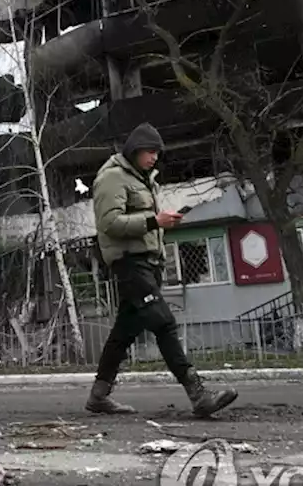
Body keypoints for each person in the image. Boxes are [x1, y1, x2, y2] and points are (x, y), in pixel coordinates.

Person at [86, 122, 238, 417]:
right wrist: (155, 221)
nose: (154, 157)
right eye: (149, 151)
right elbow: (108, 224)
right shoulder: (113, 178)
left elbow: (145, 224)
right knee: (163, 323)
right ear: (134, 150)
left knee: (123, 334)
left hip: (147, 264)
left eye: (157, 152)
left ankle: (98, 396)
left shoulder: (145, 180)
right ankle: (198, 394)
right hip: (129, 264)